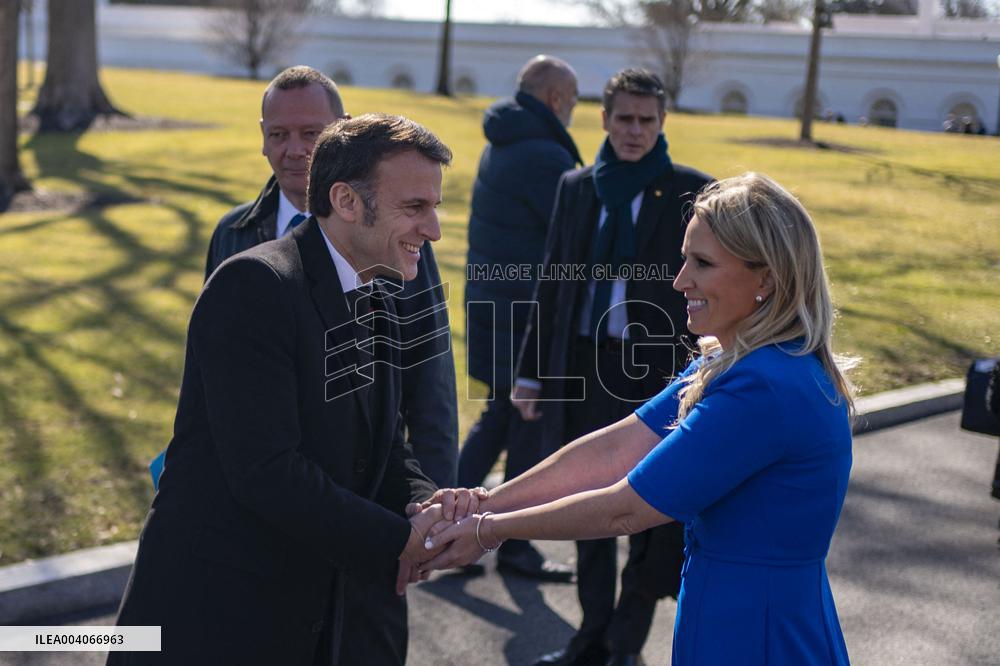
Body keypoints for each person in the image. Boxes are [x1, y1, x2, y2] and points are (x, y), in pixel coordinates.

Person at [420, 172, 857, 666]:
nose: (680, 281)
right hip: (743, 614)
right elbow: (611, 451)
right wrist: (484, 504)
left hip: (755, 629)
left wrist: (488, 531)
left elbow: (625, 509)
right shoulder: (740, 362)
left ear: (767, 277)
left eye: (703, 263)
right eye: (685, 258)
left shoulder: (764, 385)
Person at [110, 115, 454, 665]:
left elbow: (384, 445)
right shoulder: (255, 286)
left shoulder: (380, 291)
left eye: (434, 207)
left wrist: (425, 502)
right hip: (214, 619)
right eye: (415, 208)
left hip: (313, 613)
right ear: (345, 201)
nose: (433, 229)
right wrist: (396, 541)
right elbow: (266, 471)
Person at [511, 69, 712, 665]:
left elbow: (706, 287)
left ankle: (625, 644)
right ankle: (590, 634)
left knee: (649, 512)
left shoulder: (689, 192)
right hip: (579, 365)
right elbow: (552, 280)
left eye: (647, 120)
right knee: (584, 502)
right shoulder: (576, 186)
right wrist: (529, 372)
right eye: (624, 118)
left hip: (655, 374)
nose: (634, 131)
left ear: (662, 123)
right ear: (604, 119)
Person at [205, 66, 458, 491]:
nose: (295, 150)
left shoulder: (398, 240)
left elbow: (429, 378)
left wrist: (433, 509)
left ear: (341, 134)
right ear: (262, 137)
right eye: (278, 135)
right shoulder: (234, 234)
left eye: (311, 134)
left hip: (358, 491)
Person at [461, 54, 582, 582]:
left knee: (501, 418)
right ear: (555, 99)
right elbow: (577, 233)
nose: (574, 112)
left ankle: (448, 524)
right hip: (521, 314)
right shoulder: (543, 155)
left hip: (495, 304)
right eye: (574, 102)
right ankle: (508, 545)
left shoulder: (505, 139)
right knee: (522, 422)